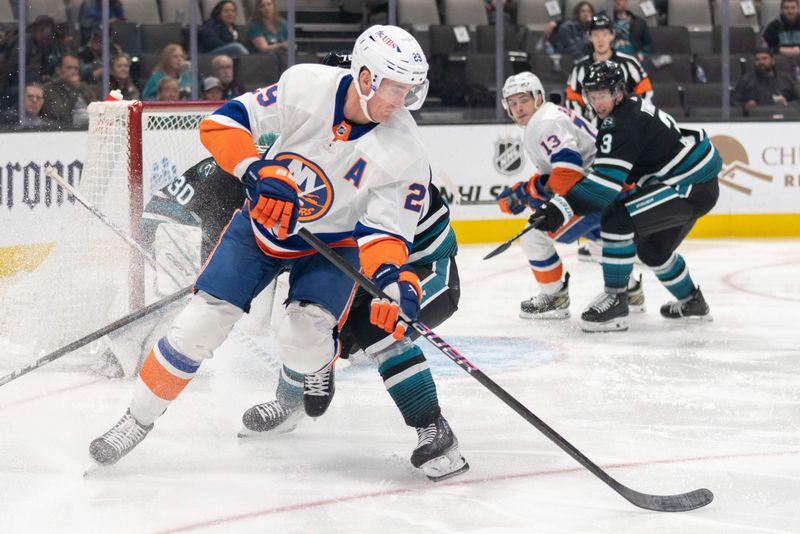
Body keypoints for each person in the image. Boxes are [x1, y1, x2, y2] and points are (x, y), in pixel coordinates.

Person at [88, 25, 468, 481]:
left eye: (411, 91)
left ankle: (322, 368)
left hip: (332, 248)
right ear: (365, 77)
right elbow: (223, 123)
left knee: (305, 338)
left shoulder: (405, 150)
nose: (402, 102)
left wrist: (392, 285)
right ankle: (135, 420)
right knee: (197, 326)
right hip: (259, 230)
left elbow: (384, 236)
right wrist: (255, 169)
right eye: (395, 89)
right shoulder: (307, 83)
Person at [531, 61, 721, 332]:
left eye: (602, 95)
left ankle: (616, 301)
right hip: (697, 184)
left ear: (618, 92)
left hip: (686, 185)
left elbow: (601, 190)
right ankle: (693, 301)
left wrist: (557, 208)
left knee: (617, 219)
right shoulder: (629, 111)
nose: (597, 102)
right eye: (592, 95)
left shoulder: (621, 123)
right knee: (652, 250)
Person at [495, 71, 644, 319]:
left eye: (524, 100)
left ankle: (555, 296)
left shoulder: (544, 123)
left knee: (535, 238)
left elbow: (567, 175)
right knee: (600, 243)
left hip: (599, 191)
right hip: (610, 188)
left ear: (538, 98)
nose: (519, 108)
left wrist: (527, 192)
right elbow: (565, 175)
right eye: (513, 103)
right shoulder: (548, 117)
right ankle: (630, 291)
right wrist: (531, 191)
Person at [566, 15, 652, 126]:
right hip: (592, 130)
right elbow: (573, 101)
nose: (600, 40)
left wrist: (637, 121)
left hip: (627, 127)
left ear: (612, 35)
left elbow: (645, 94)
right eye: (596, 35)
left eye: (605, 34)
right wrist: (582, 128)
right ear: (589, 37)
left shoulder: (629, 63)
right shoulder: (579, 69)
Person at [41, 52, 99, 127]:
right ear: (58, 70)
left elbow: (97, 109)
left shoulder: (84, 86)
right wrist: (74, 89)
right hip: (66, 131)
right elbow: (61, 115)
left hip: (90, 128)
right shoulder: (49, 88)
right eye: (69, 68)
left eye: (76, 68)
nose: (73, 71)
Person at [734, 46, 798, 112]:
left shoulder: (786, 79)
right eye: (757, 59)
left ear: (773, 61)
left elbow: (797, 102)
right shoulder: (746, 80)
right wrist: (746, 106)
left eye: (764, 59)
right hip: (755, 119)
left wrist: (786, 104)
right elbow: (735, 103)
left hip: (783, 117)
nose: (760, 62)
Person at [760, 0, 800, 66]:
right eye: (786, 8)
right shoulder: (772, 25)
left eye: (793, 8)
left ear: (798, 9)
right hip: (778, 62)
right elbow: (761, 49)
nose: (790, 11)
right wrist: (779, 50)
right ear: (781, 9)